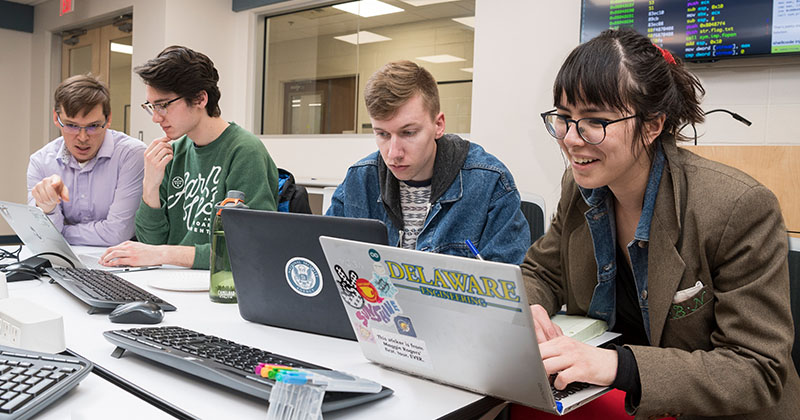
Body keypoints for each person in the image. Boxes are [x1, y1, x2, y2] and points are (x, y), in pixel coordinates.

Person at [522, 28, 800, 418]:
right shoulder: (581, 187)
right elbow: (543, 273)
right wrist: (526, 306)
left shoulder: (737, 208)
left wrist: (618, 366)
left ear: (652, 125)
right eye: (564, 118)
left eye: (594, 121)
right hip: (618, 402)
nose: (571, 138)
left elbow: (757, 370)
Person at [326, 60, 529, 264]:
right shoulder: (359, 180)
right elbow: (323, 258)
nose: (394, 153)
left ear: (438, 125)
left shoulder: (489, 183)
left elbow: (508, 288)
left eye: (408, 133)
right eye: (383, 134)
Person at [100, 46, 279, 269]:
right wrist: (150, 187)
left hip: (218, 289)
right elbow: (150, 244)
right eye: (151, 106)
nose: (156, 117)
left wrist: (165, 254)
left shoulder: (244, 151)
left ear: (200, 99)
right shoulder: (174, 153)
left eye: (163, 105)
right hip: (168, 280)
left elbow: (247, 248)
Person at [27, 74, 145, 247]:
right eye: (72, 125)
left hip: (121, 262)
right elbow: (37, 234)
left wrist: (59, 233)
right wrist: (48, 208)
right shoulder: (41, 162)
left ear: (109, 119)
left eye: (93, 126)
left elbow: (118, 234)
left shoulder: (131, 155)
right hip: (64, 259)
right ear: (56, 118)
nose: (82, 137)